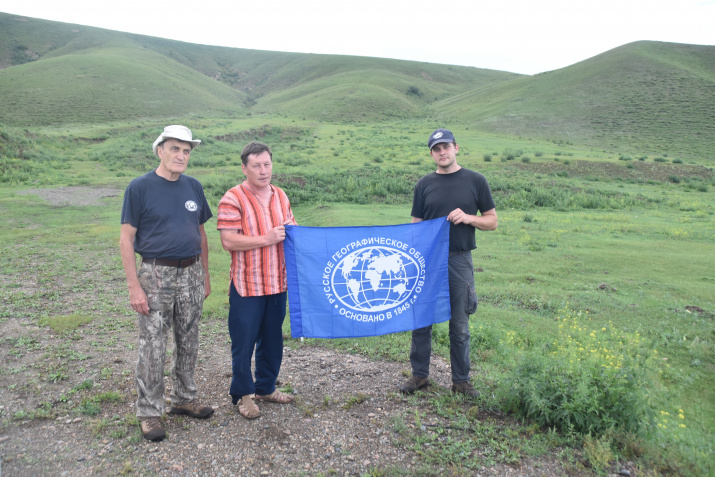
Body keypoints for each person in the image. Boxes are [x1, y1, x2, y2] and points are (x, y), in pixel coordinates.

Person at [120, 125, 214, 442]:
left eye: (186, 151)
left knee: (189, 339)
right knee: (153, 346)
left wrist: (205, 274)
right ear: (160, 150)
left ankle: (184, 399)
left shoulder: (193, 187)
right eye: (175, 148)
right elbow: (126, 239)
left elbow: (200, 234)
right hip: (155, 274)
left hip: (190, 273)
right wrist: (134, 287)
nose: (181, 155)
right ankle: (149, 413)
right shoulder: (140, 188)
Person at [399, 128, 498, 398]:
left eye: (446, 146)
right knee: (421, 321)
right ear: (431, 154)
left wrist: (468, 218)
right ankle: (419, 376)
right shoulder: (424, 185)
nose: (442, 152)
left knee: (460, 323)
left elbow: (492, 221)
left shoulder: (476, 180)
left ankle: (461, 381)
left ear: (456, 147)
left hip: (459, 261)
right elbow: (415, 226)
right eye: (436, 148)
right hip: (427, 262)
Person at [217, 141, 297, 420]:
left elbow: (290, 227)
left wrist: (295, 232)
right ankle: (243, 394)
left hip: (278, 281)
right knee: (244, 340)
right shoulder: (232, 198)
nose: (263, 171)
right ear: (244, 167)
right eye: (256, 166)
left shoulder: (280, 196)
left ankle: (265, 387)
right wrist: (267, 238)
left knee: (273, 338)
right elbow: (228, 241)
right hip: (248, 284)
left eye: (267, 164)